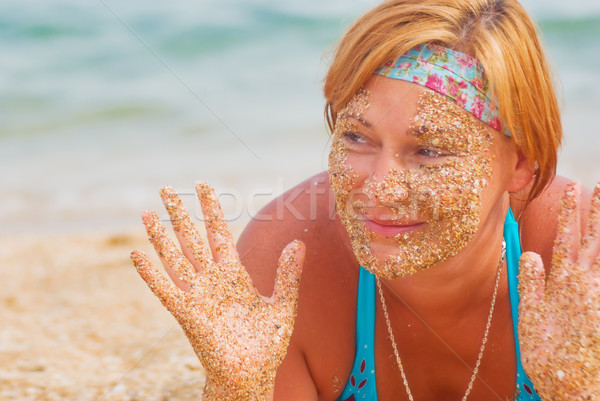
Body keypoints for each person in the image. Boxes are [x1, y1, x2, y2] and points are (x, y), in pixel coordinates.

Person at [131, 0, 600, 400]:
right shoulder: (289, 263)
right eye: (357, 137)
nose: (380, 187)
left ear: (521, 163)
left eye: (429, 150)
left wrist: (579, 389)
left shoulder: (579, 261)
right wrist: (238, 389)